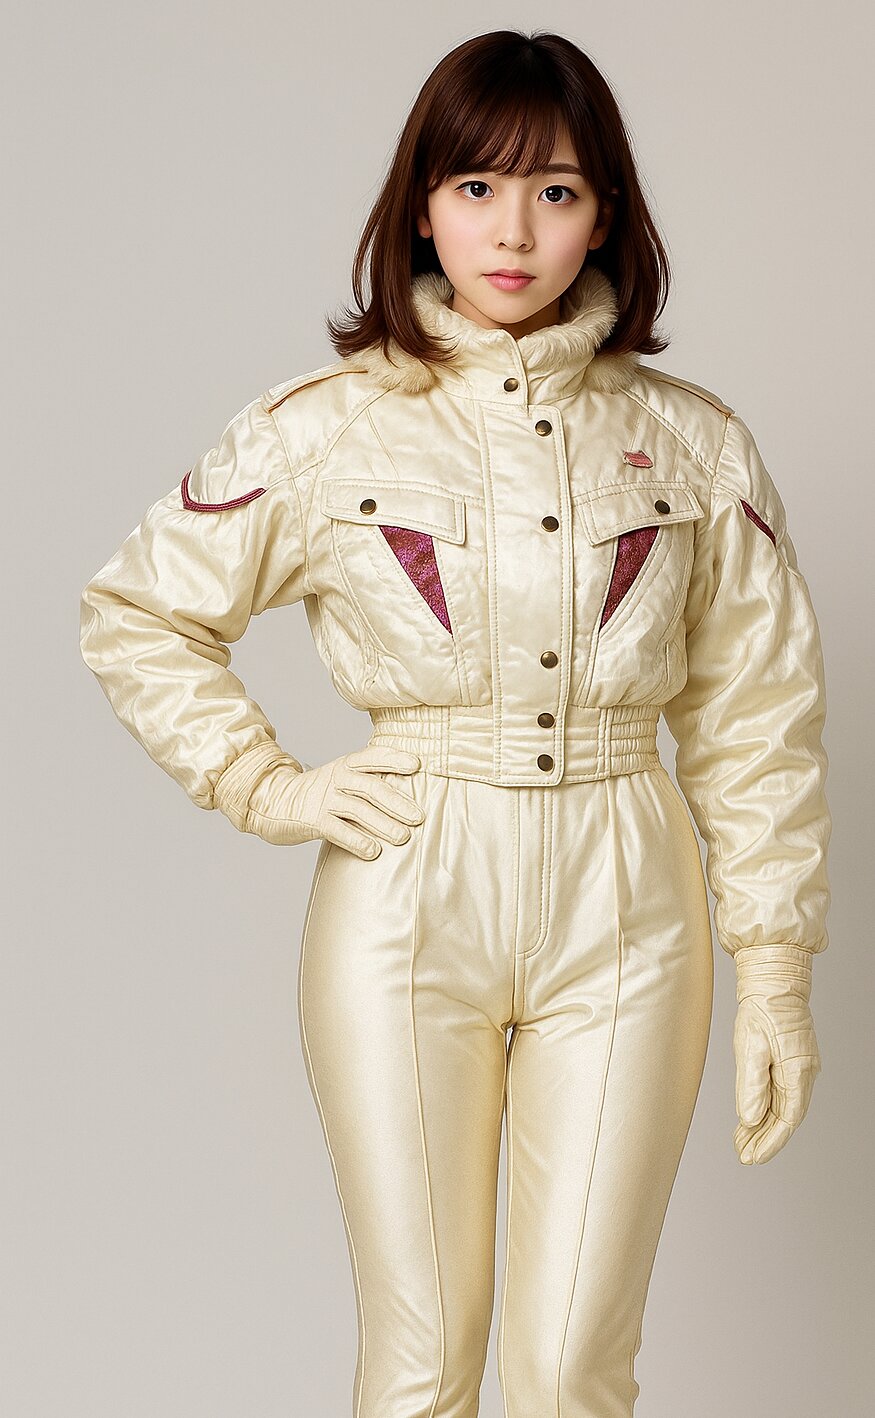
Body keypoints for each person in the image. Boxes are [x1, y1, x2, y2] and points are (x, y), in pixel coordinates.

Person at [79, 28, 832, 1418]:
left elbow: (758, 712)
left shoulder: (696, 444)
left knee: (575, 1368)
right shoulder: (326, 427)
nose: (514, 231)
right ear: (420, 206)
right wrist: (265, 782)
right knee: (423, 1363)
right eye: (477, 186)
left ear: (607, 213)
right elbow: (137, 610)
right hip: (408, 895)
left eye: (556, 190)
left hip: (630, 897)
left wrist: (775, 964)